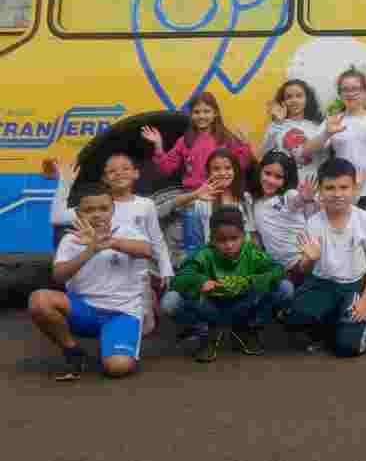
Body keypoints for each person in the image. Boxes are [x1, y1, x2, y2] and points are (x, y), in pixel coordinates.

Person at [28, 183, 153, 380]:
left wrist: (111, 242)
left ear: (113, 209)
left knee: (118, 368)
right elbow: (58, 276)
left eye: (103, 208)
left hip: (122, 313)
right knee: (39, 300)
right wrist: (91, 250)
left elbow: (146, 250)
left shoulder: (127, 231)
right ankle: (73, 352)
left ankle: (112, 343)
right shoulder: (71, 239)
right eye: (89, 210)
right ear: (78, 213)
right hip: (84, 310)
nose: (97, 214)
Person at [47, 153, 173, 336]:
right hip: (107, 272)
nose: (119, 173)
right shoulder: (94, 205)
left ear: (136, 174)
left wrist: (165, 266)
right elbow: (57, 217)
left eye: (125, 168)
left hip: (138, 273)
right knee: (134, 330)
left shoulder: (145, 205)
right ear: (105, 178)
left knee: (147, 329)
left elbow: (156, 239)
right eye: (112, 171)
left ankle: (145, 308)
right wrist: (65, 182)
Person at [286, 158, 366, 357]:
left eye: (344, 187)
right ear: (320, 192)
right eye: (330, 188)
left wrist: (365, 299)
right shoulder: (314, 222)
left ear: (354, 188)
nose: (337, 194)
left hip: (354, 284)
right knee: (296, 317)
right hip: (324, 283)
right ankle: (337, 319)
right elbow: (305, 271)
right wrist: (310, 259)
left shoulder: (364, 219)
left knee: (346, 347)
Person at [141, 91, 252, 260]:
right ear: (191, 115)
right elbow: (166, 168)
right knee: (195, 244)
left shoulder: (226, 139)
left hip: (220, 196)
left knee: (224, 239)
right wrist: (158, 146)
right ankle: (197, 270)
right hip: (194, 198)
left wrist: (245, 144)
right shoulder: (185, 141)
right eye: (197, 112)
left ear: (215, 113)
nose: (202, 116)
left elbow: (241, 164)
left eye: (207, 111)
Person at [169, 206, 286, 362]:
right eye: (222, 240)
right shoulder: (203, 253)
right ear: (211, 239)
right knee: (171, 301)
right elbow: (179, 279)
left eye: (234, 239)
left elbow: (278, 269)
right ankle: (205, 333)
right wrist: (199, 281)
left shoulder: (251, 251)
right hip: (210, 309)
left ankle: (246, 329)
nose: (229, 245)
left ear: (243, 236)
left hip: (242, 307)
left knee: (285, 288)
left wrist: (258, 280)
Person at [305, 67, 366, 209]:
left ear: (365, 92)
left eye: (356, 88)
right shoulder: (334, 120)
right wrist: (327, 133)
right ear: (340, 94)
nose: (351, 94)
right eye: (345, 90)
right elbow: (307, 149)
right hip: (343, 194)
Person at [249, 150, 316, 301]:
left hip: (302, 264)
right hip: (279, 268)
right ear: (260, 171)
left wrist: (303, 198)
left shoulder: (287, 195)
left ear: (286, 180)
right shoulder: (256, 202)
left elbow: (294, 202)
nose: (271, 180)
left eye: (278, 177)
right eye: (267, 173)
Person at [164, 148, 249, 263]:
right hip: (212, 265)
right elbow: (166, 208)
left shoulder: (246, 199)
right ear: (209, 173)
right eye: (216, 169)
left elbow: (251, 237)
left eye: (228, 168)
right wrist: (195, 195)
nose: (223, 173)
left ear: (235, 170)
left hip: (241, 264)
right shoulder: (202, 199)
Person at [262, 78, 325, 180]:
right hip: (285, 188)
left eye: (299, 96)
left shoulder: (317, 127)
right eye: (289, 97)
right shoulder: (276, 126)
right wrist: (278, 123)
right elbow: (265, 155)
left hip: (313, 188)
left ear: (307, 99)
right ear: (283, 102)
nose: (294, 100)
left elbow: (324, 158)